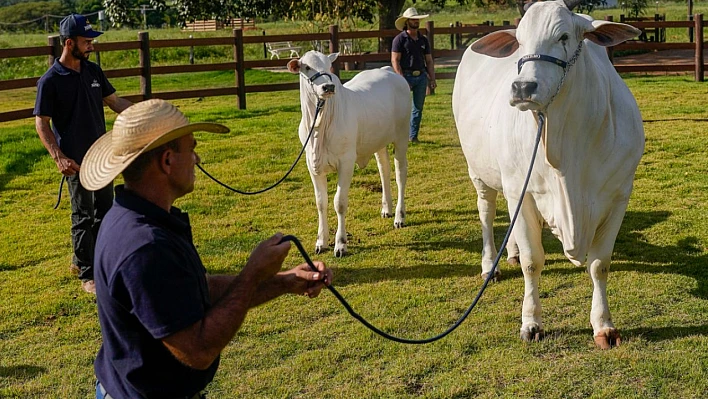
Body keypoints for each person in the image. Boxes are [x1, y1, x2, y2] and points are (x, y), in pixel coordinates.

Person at [79, 99, 333, 399]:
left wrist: (286, 281)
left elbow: (193, 293)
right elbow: (198, 350)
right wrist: (252, 274)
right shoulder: (145, 247)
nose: (197, 158)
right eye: (192, 148)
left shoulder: (134, 216)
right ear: (168, 161)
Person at [34, 13, 132, 294]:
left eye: (91, 41)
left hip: (103, 155)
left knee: (106, 212)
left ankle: (98, 263)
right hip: (76, 162)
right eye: (86, 41)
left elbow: (114, 102)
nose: (92, 46)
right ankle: (88, 275)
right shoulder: (50, 81)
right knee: (83, 216)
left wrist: (147, 113)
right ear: (69, 43)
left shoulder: (93, 72)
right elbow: (41, 122)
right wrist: (58, 156)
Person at [391, 7, 437, 144]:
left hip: (421, 76)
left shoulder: (423, 40)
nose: (416, 22)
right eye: (413, 20)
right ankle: (397, 136)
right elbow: (395, 60)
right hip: (406, 75)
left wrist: (432, 78)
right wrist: (402, 79)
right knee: (401, 108)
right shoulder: (399, 40)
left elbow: (428, 60)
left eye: (417, 19)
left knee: (418, 108)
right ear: (407, 22)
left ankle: (413, 136)